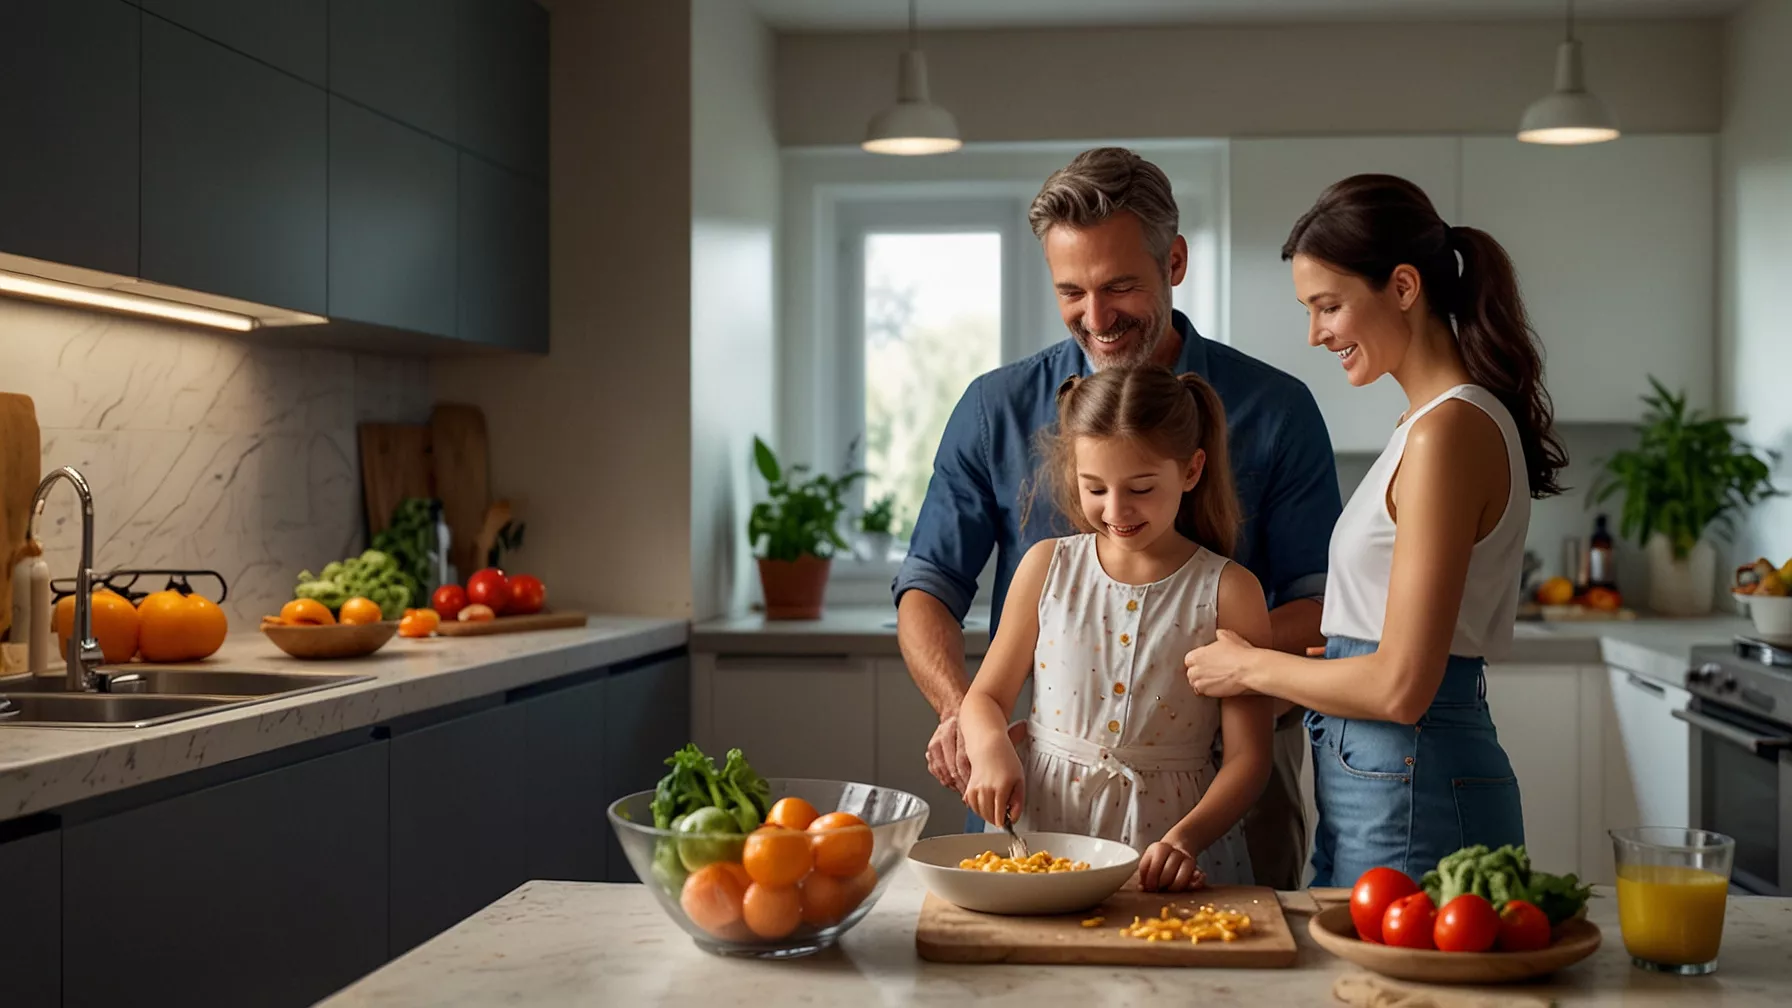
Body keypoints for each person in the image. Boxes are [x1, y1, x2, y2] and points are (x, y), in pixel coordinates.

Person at [893, 147, 1343, 889]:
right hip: (1038, 786)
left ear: (1175, 262)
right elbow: (928, 586)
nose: (1096, 318)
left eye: (1120, 286)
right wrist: (965, 715)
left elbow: (1323, 607)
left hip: (1220, 800)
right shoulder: (993, 408)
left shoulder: (1277, 409)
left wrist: (1194, 663)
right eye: (1071, 291)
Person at [1184, 174, 1568, 887]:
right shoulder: (1424, 426)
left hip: (1410, 774)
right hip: (1382, 773)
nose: (1315, 333)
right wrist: (1331, 661)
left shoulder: (1447, 431)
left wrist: (1249, 666)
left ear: (1403, 286)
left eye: (1329, 306)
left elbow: (1401, 687)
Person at [959, 366, 1275, 892]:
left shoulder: (1231, 591)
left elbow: (1250, 759)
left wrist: (1186, 839)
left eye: (1141, 488)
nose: (1116, 509)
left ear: (1192, 470)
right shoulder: (1046, 567)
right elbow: (984, 698)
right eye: (1095, 488)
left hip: (1169, 843)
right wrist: (990, 746)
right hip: (1047, 830)